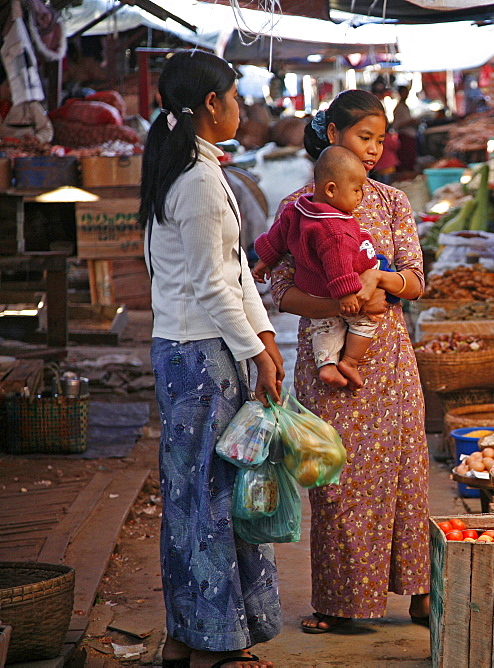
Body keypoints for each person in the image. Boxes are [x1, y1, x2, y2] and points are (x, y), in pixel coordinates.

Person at [139, 50, 283, 668]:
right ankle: (217, 643)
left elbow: (236, 272)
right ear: (209, 106)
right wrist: (256, 351)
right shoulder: (196, 182)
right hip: (197, 356)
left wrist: (266, 340)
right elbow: (211, 284)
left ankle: (193, 635)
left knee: (202, 494)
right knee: (210, 497)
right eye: (233, 95)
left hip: (201, 350)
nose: (242, 107)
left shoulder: (201, 169)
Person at [267, 89, 430, 632]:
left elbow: (416, 279)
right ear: (333, 136)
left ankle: (420, 592)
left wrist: (378, 280)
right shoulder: (299, 207)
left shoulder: (390, 202)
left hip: (391, 361)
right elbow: (281, 291)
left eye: (381, 140)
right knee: (339, 484)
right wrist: (337, 303)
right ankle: (340, 603)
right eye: (365, 138)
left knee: (406, 477)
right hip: (328, 361)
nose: (374, 151)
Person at [252, 146, 386, 390]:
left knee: (324, 326)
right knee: (365, 320)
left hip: (312, 291)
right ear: (331, 189)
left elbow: (277, 238)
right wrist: (346, 295)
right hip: (337, 291)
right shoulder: (335, 230)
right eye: (356, 190)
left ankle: (326, 366)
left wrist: (265, 260)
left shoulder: (296, 210)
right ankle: (349, 362)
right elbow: (339, 264)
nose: (360, 197)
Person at [393, 84, 419, 172]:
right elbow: (396, 125)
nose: (406, 95)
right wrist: (409, 122)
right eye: (405, 92)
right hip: (405, 136)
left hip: (410, 135)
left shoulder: (405, 106)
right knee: (406, 160)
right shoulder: (399, 108)